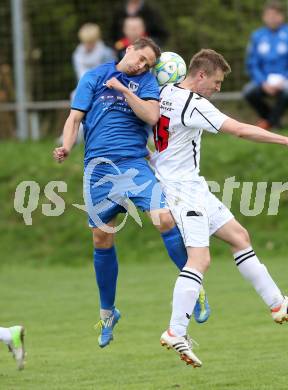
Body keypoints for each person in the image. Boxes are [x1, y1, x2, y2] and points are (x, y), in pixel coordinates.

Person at [147, 49, 288, 367]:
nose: (218, 88)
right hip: (183, 190)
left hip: (191, 185)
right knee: (200, 259)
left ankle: (278, 304)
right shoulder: (194, 104)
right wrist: (287, 140)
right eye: (217, 81)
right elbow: (240, 129)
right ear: (200, 75)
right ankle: (175, 330)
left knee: (239, 236)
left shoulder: (164, 92)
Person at [53, 38, 209, 348]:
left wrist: (124, 89)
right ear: (129, 50)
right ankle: (108, 313)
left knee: (164, 218)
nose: (141, 65)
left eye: (148, 64)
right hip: (98, 170)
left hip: (133, 166)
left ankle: (196, 286)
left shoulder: (146, 83)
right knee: (101, 238)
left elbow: (151, 117)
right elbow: (74, 118)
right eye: (140, 58)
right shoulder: (95, 76)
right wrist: (67, 146)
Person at [243, 1, 288, 130]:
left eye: (275, 15)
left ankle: (269, 123)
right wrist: (262, 82)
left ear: (281, 16)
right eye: (268, 15)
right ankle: (273, 120)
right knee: (248, 91)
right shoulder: (257, 36)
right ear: (264, 17)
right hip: (264, 80)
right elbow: (252, 63)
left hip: (286, 79)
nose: (272, 18)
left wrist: (284, 79)